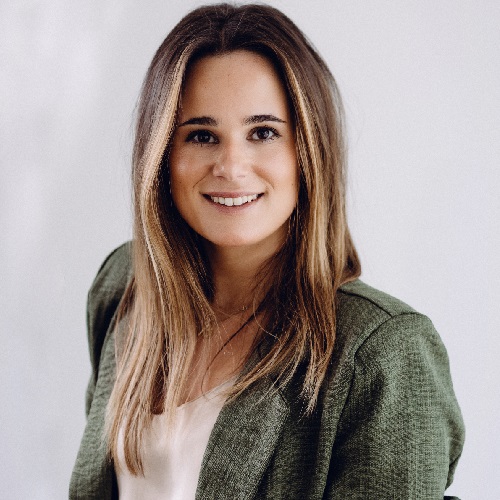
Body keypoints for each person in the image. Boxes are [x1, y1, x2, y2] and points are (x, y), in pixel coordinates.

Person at [70, 3, 465, 499]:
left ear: (308, 151)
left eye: (263, 133)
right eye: (201, 135)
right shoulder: (124, 286)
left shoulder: (382, 353)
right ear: (162, 155)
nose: (231, 166)